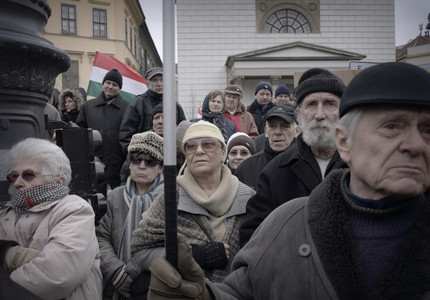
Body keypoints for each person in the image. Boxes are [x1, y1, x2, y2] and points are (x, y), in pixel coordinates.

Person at [145, 61, 430, 300]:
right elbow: (244, 290)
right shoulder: (287, 220)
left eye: (427, 129)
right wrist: (201, 296)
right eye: (392, 127)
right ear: (345, 141)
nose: (415, 145)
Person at [130, 121, 255, 284]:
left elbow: (261, 254)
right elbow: (140, 251)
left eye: (208, 144)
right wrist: (192, 257)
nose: (199, 151)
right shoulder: (171, 197)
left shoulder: (247, 197)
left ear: (223, 152)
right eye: (191, 146)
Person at [239, 68, 348, 246]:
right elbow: (253, 239)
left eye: (329, 104)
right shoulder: (277, 171)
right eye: (311, 104)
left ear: (342, 112)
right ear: (299, 114)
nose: (319, 115)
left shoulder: (363, 166)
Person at [0, 138, 102, 299]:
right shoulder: (5, 213)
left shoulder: (74, 209)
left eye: (28, 175)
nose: (17, 183)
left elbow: (57, 275)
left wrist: (5, 284)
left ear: (58, 180)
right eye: (13, 176)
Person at [97, 132, 164, 300]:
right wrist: (117, 273)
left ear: (161, 167)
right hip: (114, 284)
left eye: (150, 161)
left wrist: (133, 270)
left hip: (155, 284)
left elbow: (169, 244)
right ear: (129, 163)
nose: (141, 166)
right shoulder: (114, 196)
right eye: (136, 159)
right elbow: (101, 238)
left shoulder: (170, 198)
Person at [76, 68, 130, 190]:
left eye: (115, 84)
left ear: (119, 88)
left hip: (119, 165)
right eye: (108, 83)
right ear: (103, 84)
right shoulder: (88, 107)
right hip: (94, 164)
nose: (110, 87)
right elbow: (80, 132)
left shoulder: (128, 108)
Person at [119, 67, 186, 152]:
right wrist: (135, 156)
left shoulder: (174, 105)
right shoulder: (138, 103)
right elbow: (126, 135)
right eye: (155, 80)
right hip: (145, 158)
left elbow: (183, 132)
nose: (159, 84)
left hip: (171, 156)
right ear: (147, 84)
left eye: (162, 80)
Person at [235, 103, 299, 191]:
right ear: (266, 131)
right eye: (272, 126)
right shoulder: (247, 168)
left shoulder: (307, 166)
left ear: (297, 131)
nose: (277, 132)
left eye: (285, 126)